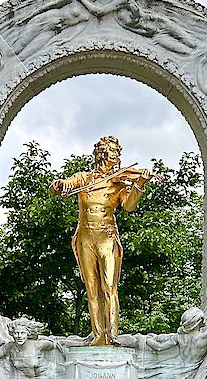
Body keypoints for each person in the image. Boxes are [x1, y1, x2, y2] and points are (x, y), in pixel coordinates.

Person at [50, 135, 153, 346]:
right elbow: (62, 186)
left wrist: (140, 183)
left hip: (107, 237)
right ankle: (98, 335)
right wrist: (59, 185)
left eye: (118, 151)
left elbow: (129, 206)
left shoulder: (118, 184)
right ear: (103, 154)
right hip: (85, 238)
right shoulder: (84, 179)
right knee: (92, 288)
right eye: (114, 151)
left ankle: (112, 334)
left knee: (109, 286)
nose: (118, 155)